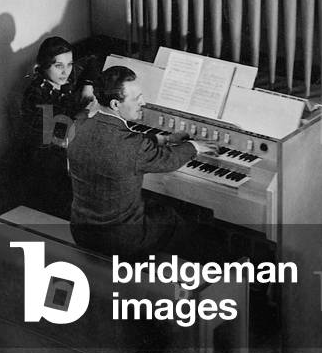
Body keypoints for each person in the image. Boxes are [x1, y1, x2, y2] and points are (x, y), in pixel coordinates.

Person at [67, 65, 218, 258]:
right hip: (121, 241)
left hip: (82, 232)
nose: (143, 102)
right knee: (174, 218)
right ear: (115, 104)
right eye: (137, 98)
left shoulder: (79, 127)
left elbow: (121, 142)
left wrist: (165, 139)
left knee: (153, 205)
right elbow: (169, 160)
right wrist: (195, 146)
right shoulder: (133, 145)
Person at [18, 36, 92, 218]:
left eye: (69, 64)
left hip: (62, 152)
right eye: (58, 66)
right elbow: (54, 136)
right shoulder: (37, 94)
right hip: (45, 164)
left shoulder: (61, 82)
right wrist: (84, 113)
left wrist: (88, 85)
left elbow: (92, 61)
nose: (66, 72)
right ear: (44, 65)